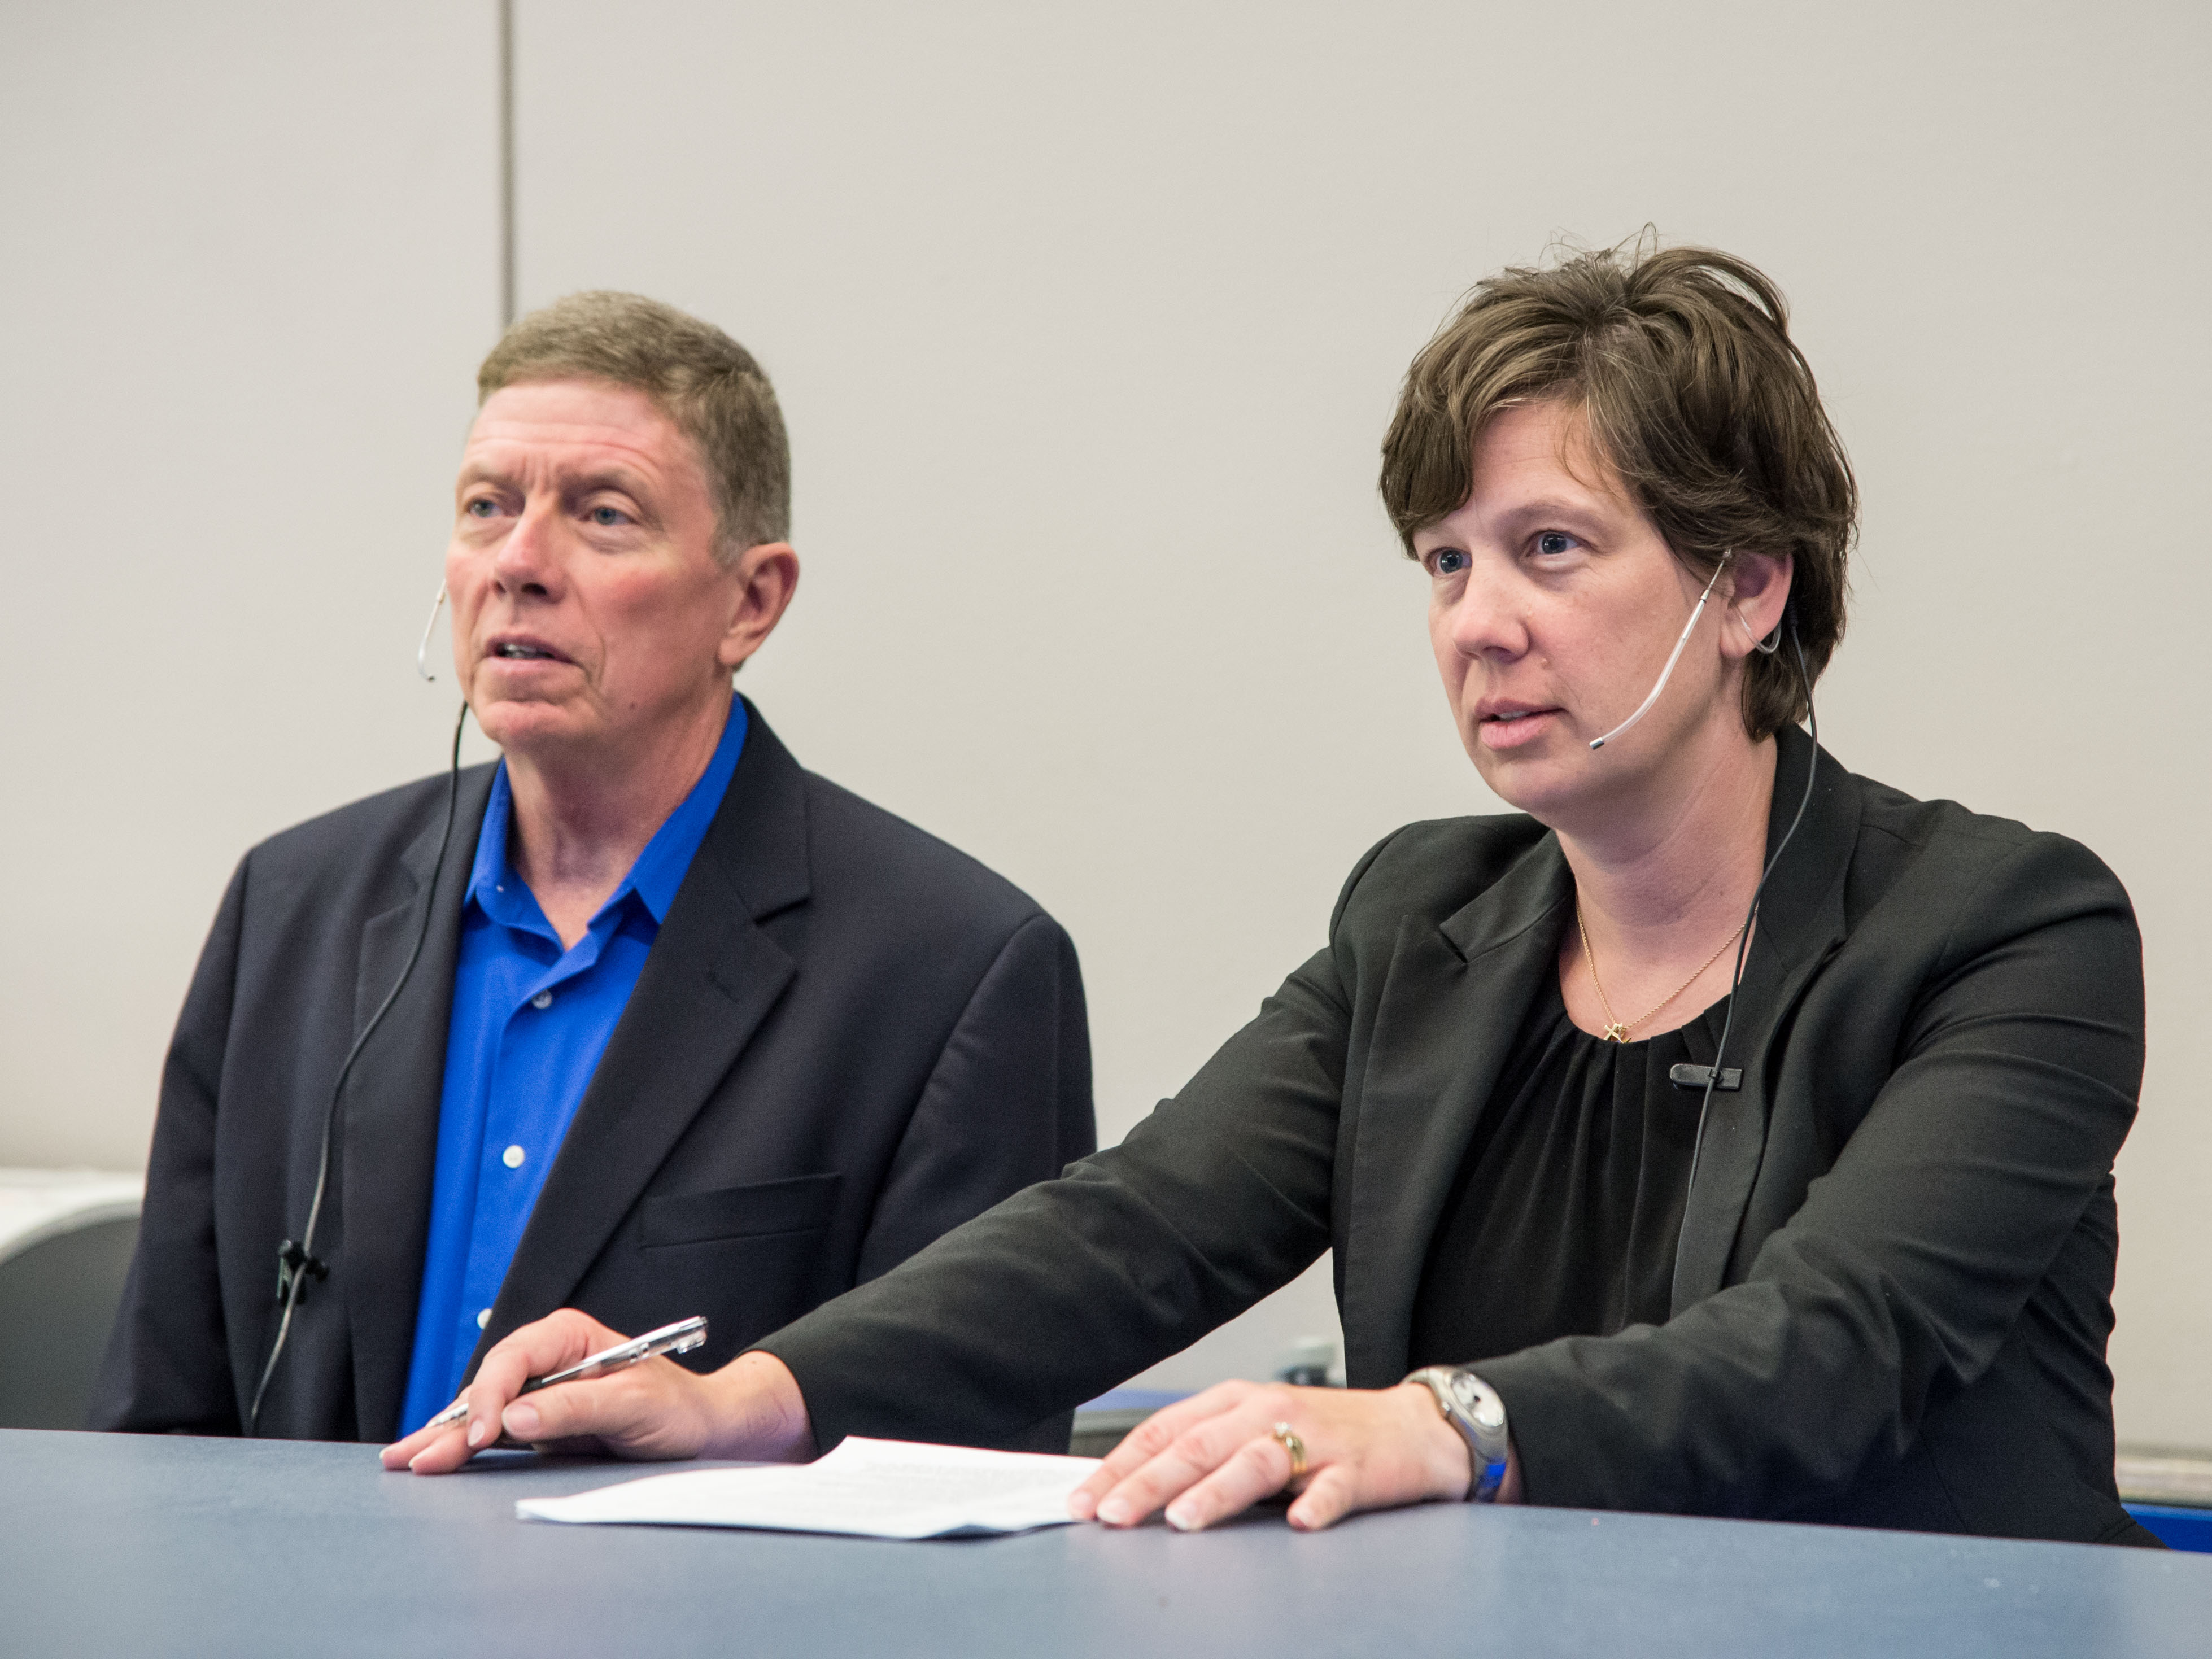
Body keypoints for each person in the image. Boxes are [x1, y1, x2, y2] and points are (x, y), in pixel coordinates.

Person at [388, 246, 2153, 1548]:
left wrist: (1436, 1422)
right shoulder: (1424, 918)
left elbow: (1828, 1350)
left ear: (1747, 589)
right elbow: (1127, 1231)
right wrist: (734, 1399)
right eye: (1444, 562)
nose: (1477, 620)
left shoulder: (2004, 932)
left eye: (1550, 548)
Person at [93, 292, 1094, 1446]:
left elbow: (957, 1472)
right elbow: (155, 1425)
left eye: (603, 515)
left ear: (751, 600)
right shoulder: (293, 908)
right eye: (487, 507)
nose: (519, 562)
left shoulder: (952, 972)